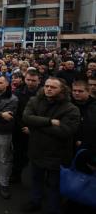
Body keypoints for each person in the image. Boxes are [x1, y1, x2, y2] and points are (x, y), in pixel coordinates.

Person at [21, 77, 80, 214]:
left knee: (54, 185)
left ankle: (54, 208)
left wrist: (36, 125)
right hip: (36, 150)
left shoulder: (71, 109)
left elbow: (66, 131)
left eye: (53, 87)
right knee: (36, 180)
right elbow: (26, 118)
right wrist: (49, 121)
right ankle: (35, 201)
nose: (48, 89)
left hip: (57, 155)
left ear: (62, 90)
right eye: (47, 86)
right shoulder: (35, 101)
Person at [11, 69, 41, 183]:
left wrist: (32, 128)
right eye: (28, 80)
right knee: (18, 153)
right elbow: (15, 112)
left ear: (39, 80)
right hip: (20, 129)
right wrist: (22, 126)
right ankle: (16, 174)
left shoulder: (43, 95)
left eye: (33, 80)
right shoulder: (18, 93)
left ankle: (37, 180)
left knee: (36, 156)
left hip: (37, 131)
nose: (30, 82)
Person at [72, 81, 96, 151]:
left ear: (88, 92)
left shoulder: (93, 106)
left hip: (90, 145)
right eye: (74, 90)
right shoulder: (68, 105)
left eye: (80, 91)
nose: (76, 93)